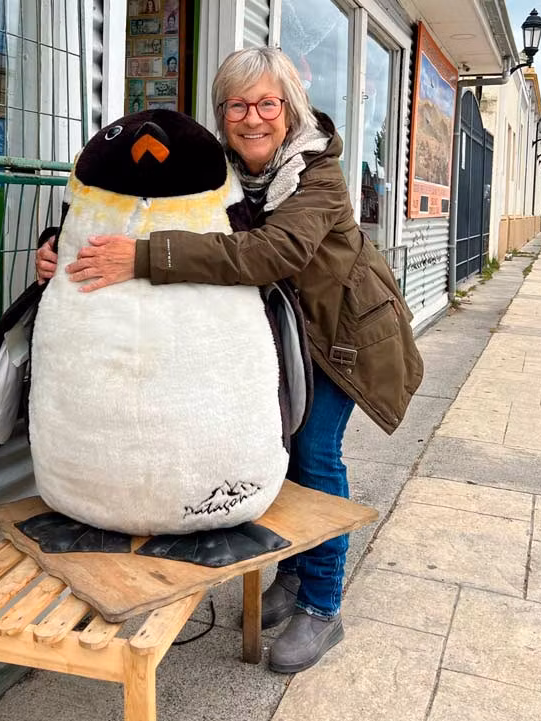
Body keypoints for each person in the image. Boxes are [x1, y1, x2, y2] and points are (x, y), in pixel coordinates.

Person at [36, 46, 422, 674]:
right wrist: (62, 244)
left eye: (267, 103)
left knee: (316, 454)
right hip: (278, 335)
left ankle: (323, 607)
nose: (253, 118)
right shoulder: (225, 169)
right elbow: (148, 205)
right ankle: (295, 577)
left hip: (340, 338)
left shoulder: (317, 172)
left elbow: (271, 253)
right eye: (237, 106)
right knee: (285, 449)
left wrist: (139, 261)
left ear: (289, 108)